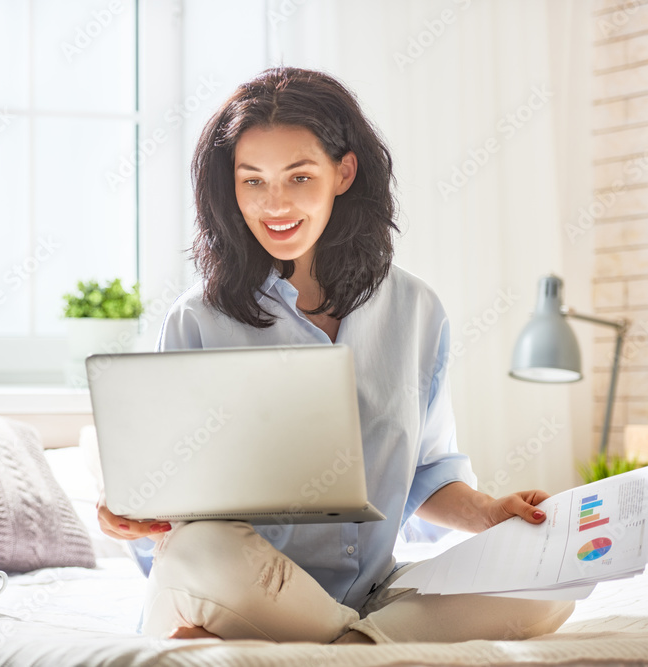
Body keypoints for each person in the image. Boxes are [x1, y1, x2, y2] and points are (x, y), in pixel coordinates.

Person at [96, 66, 576, 644]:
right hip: (241, 581)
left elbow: (426, 472)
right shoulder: (197, 318)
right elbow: (171, 495)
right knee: (201, 548)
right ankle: (365, 644)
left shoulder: (417, 309)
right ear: (231, 186)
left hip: (368, 592)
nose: (274, 204)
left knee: (553, 583)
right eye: (252, 181)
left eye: (299, 177)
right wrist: (130, 511)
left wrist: (489, 515)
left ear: (343, 172)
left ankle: (336, 646)